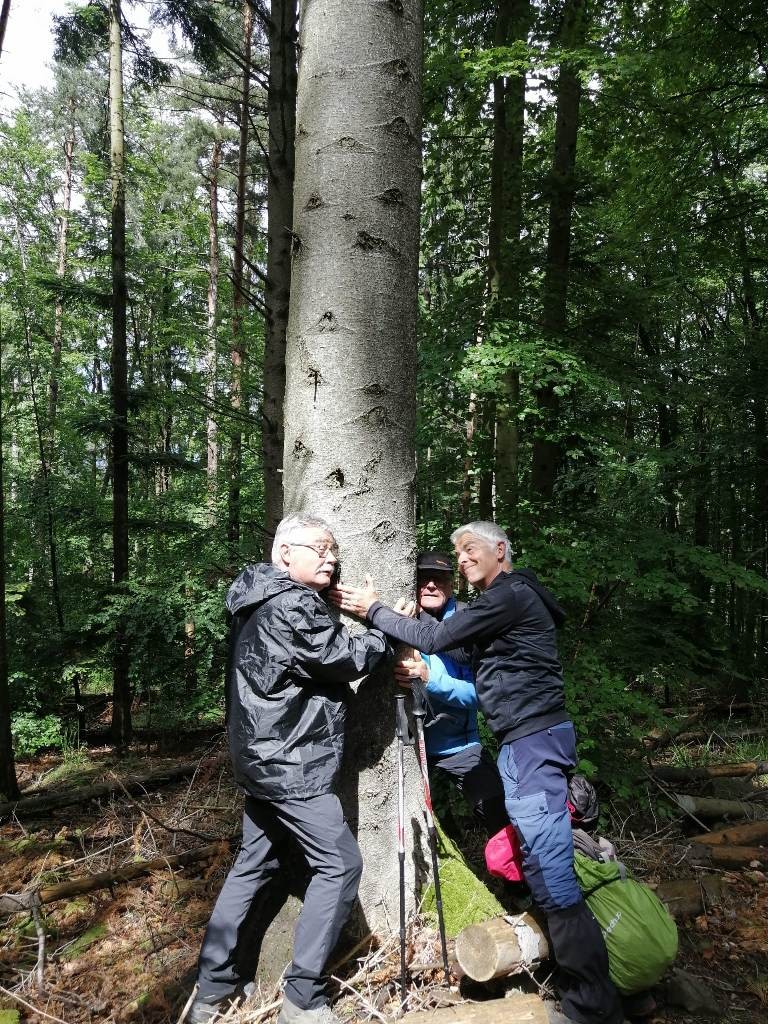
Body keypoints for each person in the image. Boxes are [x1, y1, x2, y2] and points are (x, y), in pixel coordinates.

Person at [330, 522, 625, 1024]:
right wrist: (408, 634)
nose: (462, 560)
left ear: (500, 551)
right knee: (536, 861)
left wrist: (374, 610)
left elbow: (440, 635)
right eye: (457, 552)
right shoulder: (503, 607)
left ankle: (593, 1003)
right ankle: (577, 983)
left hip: (532, 745)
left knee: (552, 873)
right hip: (520, 746)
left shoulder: (509, 595)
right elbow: (455, 648)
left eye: (470, 551)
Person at [186, 514, 392, 1024]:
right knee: (340, 865)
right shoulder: (293, 604)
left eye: (334, 549)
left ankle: (211, 991)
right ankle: (302, 998)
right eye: (318, 548)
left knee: (252, 867)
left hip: (261, 758)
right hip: (290, 762)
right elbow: (346, 656)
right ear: (284, 554)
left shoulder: (255, 597)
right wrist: (382, 624)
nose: (331, 558)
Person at [394, 550, 508, 836]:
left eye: (439, 578)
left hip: (459, 746)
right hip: (409, 747)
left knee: (499, 813)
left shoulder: (470, 623)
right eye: (424, 578)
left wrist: (430, 680)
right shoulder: (401, 619)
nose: (431, 585)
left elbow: (482, 695)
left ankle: (515, 876)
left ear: (450, 583)